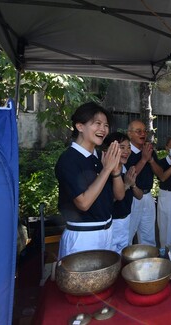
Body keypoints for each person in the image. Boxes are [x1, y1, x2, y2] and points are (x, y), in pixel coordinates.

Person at [55, 102, 125, 259]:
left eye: (106, 125)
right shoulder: (68, 160)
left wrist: (115, 172)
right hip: (84, 237)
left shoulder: (100, 157)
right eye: (97, 124)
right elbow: (84, 203)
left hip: (107, 231)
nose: (103, 129)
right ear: (80, 126)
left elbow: (119, 196)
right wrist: (106, 169)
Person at [103, 132, 143, 254]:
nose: (127, 151)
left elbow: (139, 195)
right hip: (111, 223)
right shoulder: (105, 172)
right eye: (122, 147)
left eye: (129, 147)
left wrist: (133, 184)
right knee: (111, 257)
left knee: (124, 255)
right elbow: (107, 200)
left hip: (126, 220)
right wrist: (125, 185)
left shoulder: (127, 169)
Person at [126, 120, 163, 247]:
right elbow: (128, 177)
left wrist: (151, 159)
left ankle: (148, 264)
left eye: (144, 131)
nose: (143, 134)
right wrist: (143, 159)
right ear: (130, 134)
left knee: (148, 237)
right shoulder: (126, 151)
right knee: (127, 236)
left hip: (147, 197)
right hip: (131, 197)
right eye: (138, 131)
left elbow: (161, 175)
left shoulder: (149, 151)